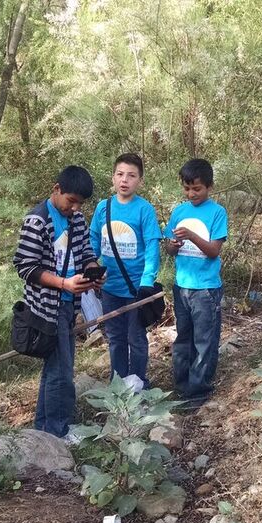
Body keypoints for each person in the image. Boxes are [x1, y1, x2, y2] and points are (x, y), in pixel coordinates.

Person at [13, 165, 105, 441]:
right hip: (45, 307)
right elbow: (25, 267)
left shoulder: (76, 220)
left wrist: (93, 272)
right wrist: (64, 283)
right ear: (56, 190)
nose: (75, 208)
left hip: (68, 304)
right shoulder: (37, 221)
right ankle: (56, 430)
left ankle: (45, 427)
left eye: (80, 204)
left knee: (58, 367)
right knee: (61, 371)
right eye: (71, 201)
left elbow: (85, 251)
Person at [89, 153, 162, 389]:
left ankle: (139, 385)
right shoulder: (103, 208)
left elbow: (152, 246)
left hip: (136, 289)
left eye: (131, 175)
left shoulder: (144, 210)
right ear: (113, 178)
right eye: (120, 174)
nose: (124, 180)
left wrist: (147, 282)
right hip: (110, 288)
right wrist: (90, 268)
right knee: (116, 340)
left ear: (139, 180)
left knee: (137, 339)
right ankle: (118, 386)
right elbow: (93, 242)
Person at [162, 158, 228, 410]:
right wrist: (174, 245)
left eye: (197, 189)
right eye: (187, 189)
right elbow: (169, 249)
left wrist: (191, 236)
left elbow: (213, 250)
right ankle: (181, 385)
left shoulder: (217, 212)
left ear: (209, 186)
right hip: (182, 286)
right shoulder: (179, 212)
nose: (191, 194)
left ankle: (198, 391)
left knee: (205, 340)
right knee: (183, 337)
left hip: (206, 288)